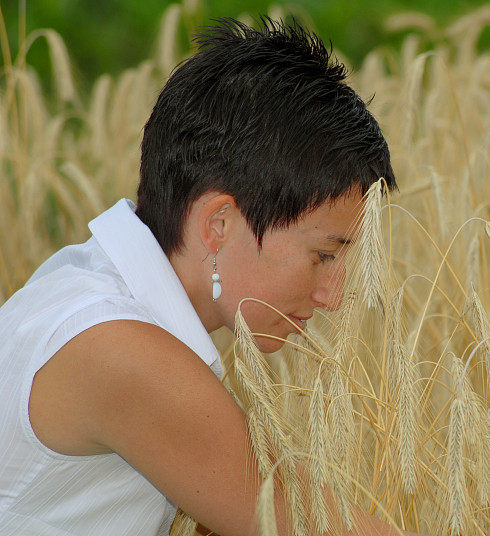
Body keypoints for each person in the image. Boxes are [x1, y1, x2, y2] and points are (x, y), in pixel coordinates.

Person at [0, 16, 411, 536]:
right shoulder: (116, 349)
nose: (335, 295)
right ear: (219, 223)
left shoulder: (88, 285)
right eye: (324, 256)